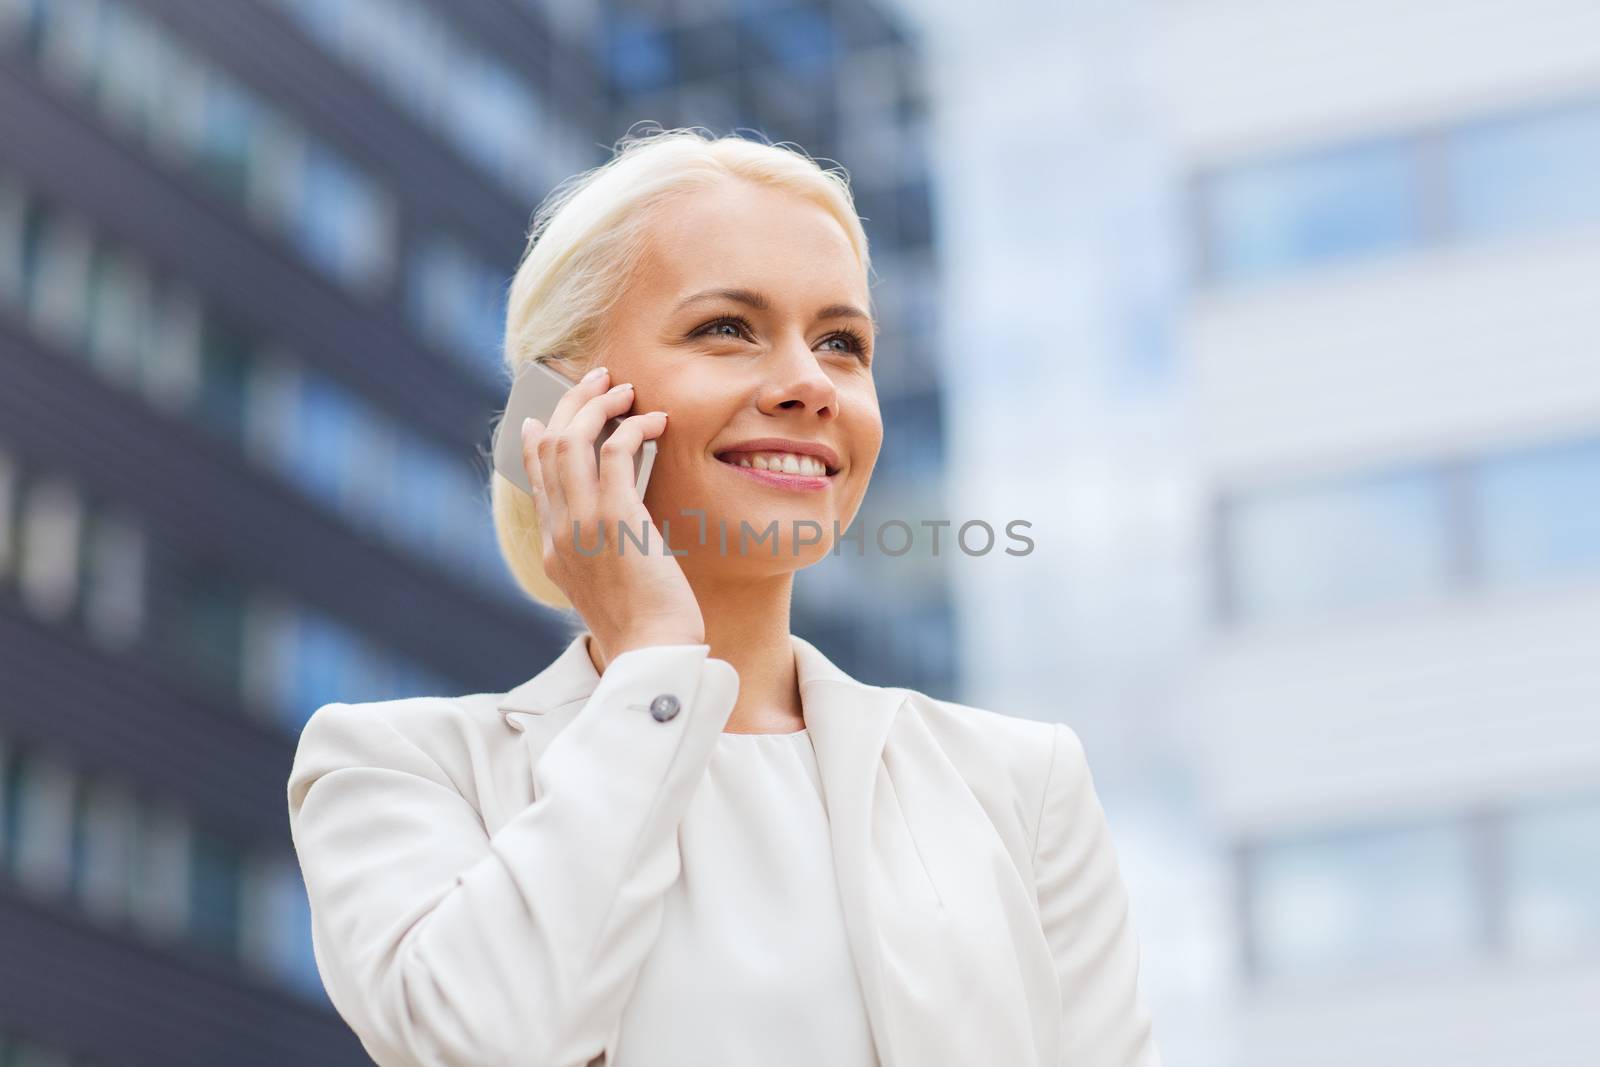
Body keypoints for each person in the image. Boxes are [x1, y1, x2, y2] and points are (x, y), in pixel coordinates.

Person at [287, 127, 1162, 1067]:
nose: (807, 384)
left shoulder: (1022, 788)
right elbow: (487, 1044)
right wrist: (655, 658)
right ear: (563, 408)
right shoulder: (401, 770)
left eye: (842, 343)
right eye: (727, 328)